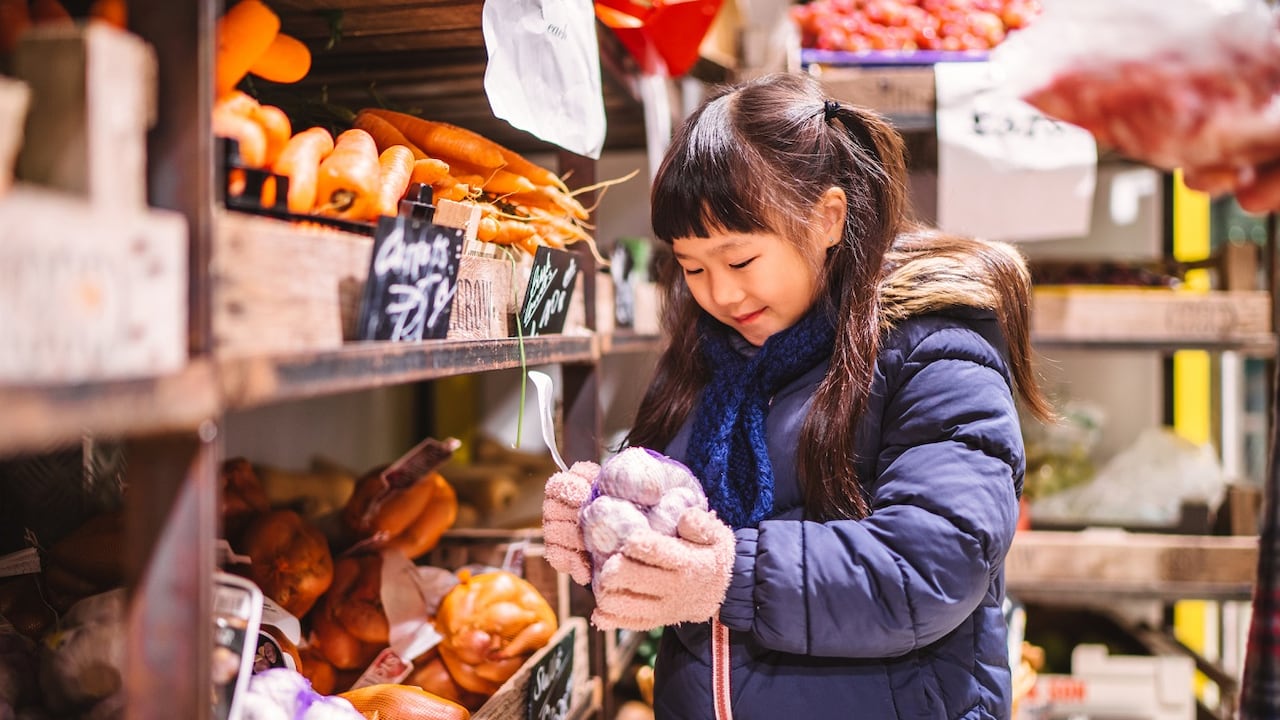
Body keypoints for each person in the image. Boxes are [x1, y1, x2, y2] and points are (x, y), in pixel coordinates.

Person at [542, 71, 1053, 720]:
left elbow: (933, 563)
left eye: (740, 260)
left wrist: (728, 573)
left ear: (827, 218)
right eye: (692, 267)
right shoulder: (714, 353)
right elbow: (680, 513)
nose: (719, 294)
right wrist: (607, 522)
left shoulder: (932, 347)